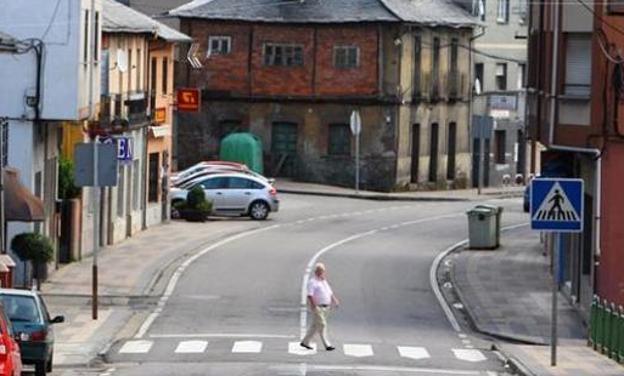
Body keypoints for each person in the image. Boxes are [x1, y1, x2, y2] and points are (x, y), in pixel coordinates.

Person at [300, 262, 340, 351]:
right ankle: (327, 345)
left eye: (322, 271)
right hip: (318, 307)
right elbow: (310, 295)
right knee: (322, 324)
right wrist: (314, 305)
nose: (321, 273)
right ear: (316, 271)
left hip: (326, 307)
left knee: (315, 326)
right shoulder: (312, 282)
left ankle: (305, 341)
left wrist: (334, 300)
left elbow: (330, 293)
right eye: (319, 271)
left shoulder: (324, 281)